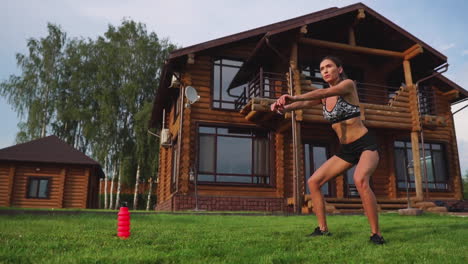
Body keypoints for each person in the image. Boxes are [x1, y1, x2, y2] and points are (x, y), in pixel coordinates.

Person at [270, 56, 385, 245]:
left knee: (360, 179)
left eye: (329, 66)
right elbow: (305, 104)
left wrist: (295, 95)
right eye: (322, 68)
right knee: (314, 181)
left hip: (365, 145)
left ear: (339, 69)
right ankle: (323, 230)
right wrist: (283, 108)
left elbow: (317, 93)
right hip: (346, 150)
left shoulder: (347, 85)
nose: (325, 70)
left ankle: (376, 234)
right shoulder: (323, 97)